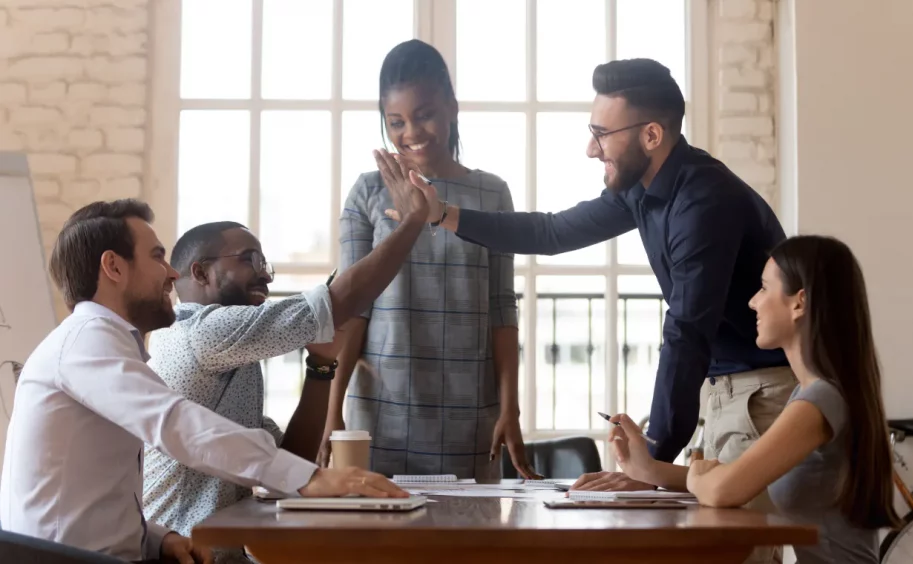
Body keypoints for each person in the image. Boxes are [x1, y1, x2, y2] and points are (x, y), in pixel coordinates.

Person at [384, 59, 793, 488]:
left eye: (601, 134)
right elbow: (551, 231)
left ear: (651, 135)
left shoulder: (702, 202)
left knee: (736, 551)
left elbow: (686, 332)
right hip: (727, 389)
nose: (591, 149)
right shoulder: (642, 189)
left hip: (759, 392)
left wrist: (649, 463)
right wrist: (442, 213)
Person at [0, 193, 425, 561]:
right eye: (156, 256)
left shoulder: (102, 345)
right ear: (113, 267)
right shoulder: (86, 341)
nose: (171, 273)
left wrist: (156, 538)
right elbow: (175, 423)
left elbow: (94, 499)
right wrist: (310, 478)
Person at [316, 39, 539, 481]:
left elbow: (501, 309)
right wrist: (331, 409)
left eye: (424, 115)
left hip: (470, 417)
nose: (411, 132)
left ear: (452, 108)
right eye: (395, 121)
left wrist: (509, 407)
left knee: (466, 547)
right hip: (377, 418)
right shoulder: (367, 193)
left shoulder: (492, 193)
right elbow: (351, 308)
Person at [608, 235, 901, 563]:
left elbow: (723, 489)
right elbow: (736, 476)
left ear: (799, 303)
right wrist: (648, 469)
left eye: (763, 288)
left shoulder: (820, 400)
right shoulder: (807, 394)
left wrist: (705, 474)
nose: (752, 302)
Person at [141, 222, 349, 563]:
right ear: (200, 272)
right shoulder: (198, 331)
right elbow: (338, 301)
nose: (265, 276)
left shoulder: (235, 355)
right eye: (249, 259)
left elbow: (292, 463)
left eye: (264, 264)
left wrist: (321, 366)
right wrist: (410, 223)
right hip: (180, 556)